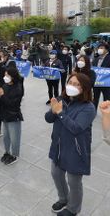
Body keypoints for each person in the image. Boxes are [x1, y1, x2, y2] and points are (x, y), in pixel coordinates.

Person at [45, 73, 96, 216]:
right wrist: (53, 110)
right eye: (70, 82)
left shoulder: (88, 108)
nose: (72, 86)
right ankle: (63, 199)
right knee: (56, 174)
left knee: (74, 183)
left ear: (84, 88)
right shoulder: (62, 100)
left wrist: (60, 113)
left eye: (77, 84)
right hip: (59, 146)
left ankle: (73, 209)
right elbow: (48, 119)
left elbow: (76, 128)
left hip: (76, 150)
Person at [0, 67, 24, 165]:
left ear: (13, 76)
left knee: (14, 137)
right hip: (5, 115)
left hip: (13, 116)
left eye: (7, 75)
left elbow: (13, 104)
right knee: (6, 137)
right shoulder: (5, 85)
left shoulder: (18, 88)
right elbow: (2, 102)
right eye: (5, 75)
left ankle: (15, 155)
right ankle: (7, 152)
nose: (5, 77)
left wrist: (2, 95)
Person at [92, 43, 110, 109]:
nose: (100, 49)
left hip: (106, 83)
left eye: (102, 48)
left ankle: (107, 113)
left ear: (106, 49)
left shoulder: (109, 58)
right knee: (95, 98)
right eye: (99, 48)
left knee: (107, 99)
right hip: (96, 82)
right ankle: (93, 112)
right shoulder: (96, 58)